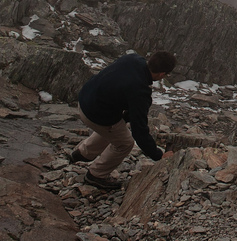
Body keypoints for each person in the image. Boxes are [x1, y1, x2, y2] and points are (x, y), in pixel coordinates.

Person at [70, 49, 176, 190]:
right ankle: (96, 175)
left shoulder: (132, 59)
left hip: (85, 98)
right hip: (94, 115)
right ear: (162, 74)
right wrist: (159, 156)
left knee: (117, 128)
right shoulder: (140, 91)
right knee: (125, 143)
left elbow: (118, 87)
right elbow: (140, 132)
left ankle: (82, 153)